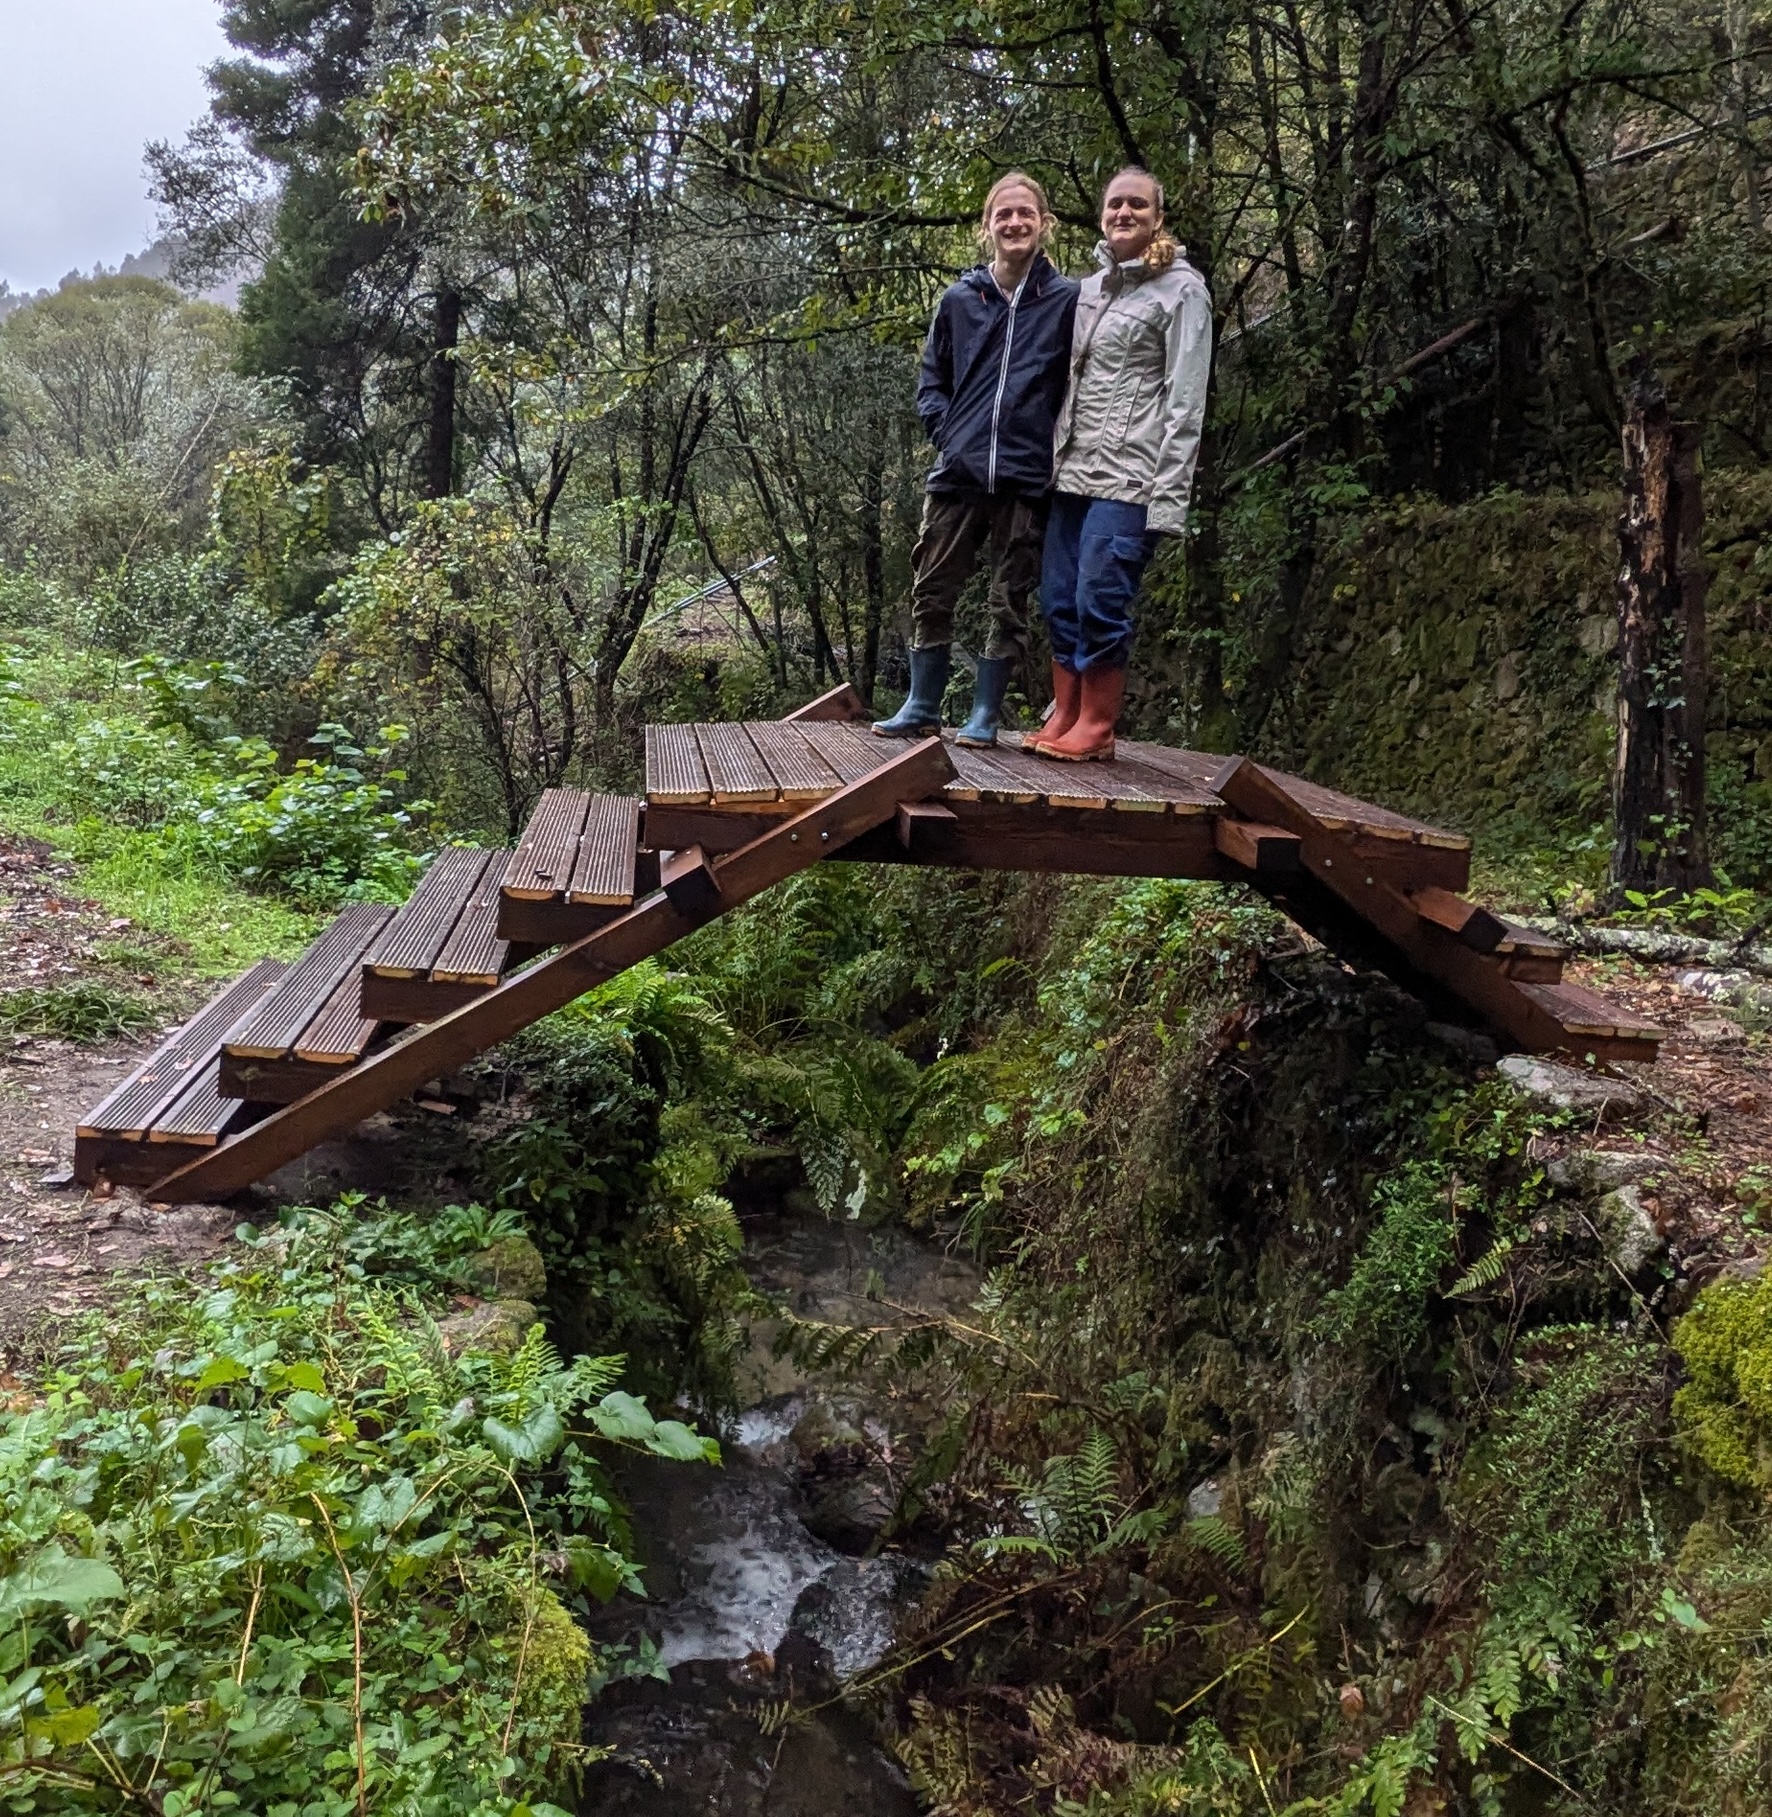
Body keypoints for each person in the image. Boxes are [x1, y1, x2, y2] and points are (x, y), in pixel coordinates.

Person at [873, 173, 1079, 747]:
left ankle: (985, 714)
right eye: (1003, 214)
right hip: (958, 473)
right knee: (932, 583)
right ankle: (920, 704)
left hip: (1026, 474)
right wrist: (948, 433)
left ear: (1044, 223)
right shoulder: (962, 300)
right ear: (986, 226)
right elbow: (931, 379)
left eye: (1025, 214)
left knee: (1009, 596)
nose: (1014, 223)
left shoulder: (1066, 300)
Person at [1029, 168, 1212, 762]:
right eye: (1115, 204)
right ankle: (1068, 714)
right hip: (1071, 471)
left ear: (1158, 216)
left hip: (1131, 478)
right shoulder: (1091, 289)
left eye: (1137, 204)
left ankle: (1098, 726)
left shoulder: (1183, 292)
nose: (1124, 212)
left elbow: (1186, 403)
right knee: (1058, 597)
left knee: (1099, 599)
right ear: (1103, 215)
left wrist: (1169, 499)